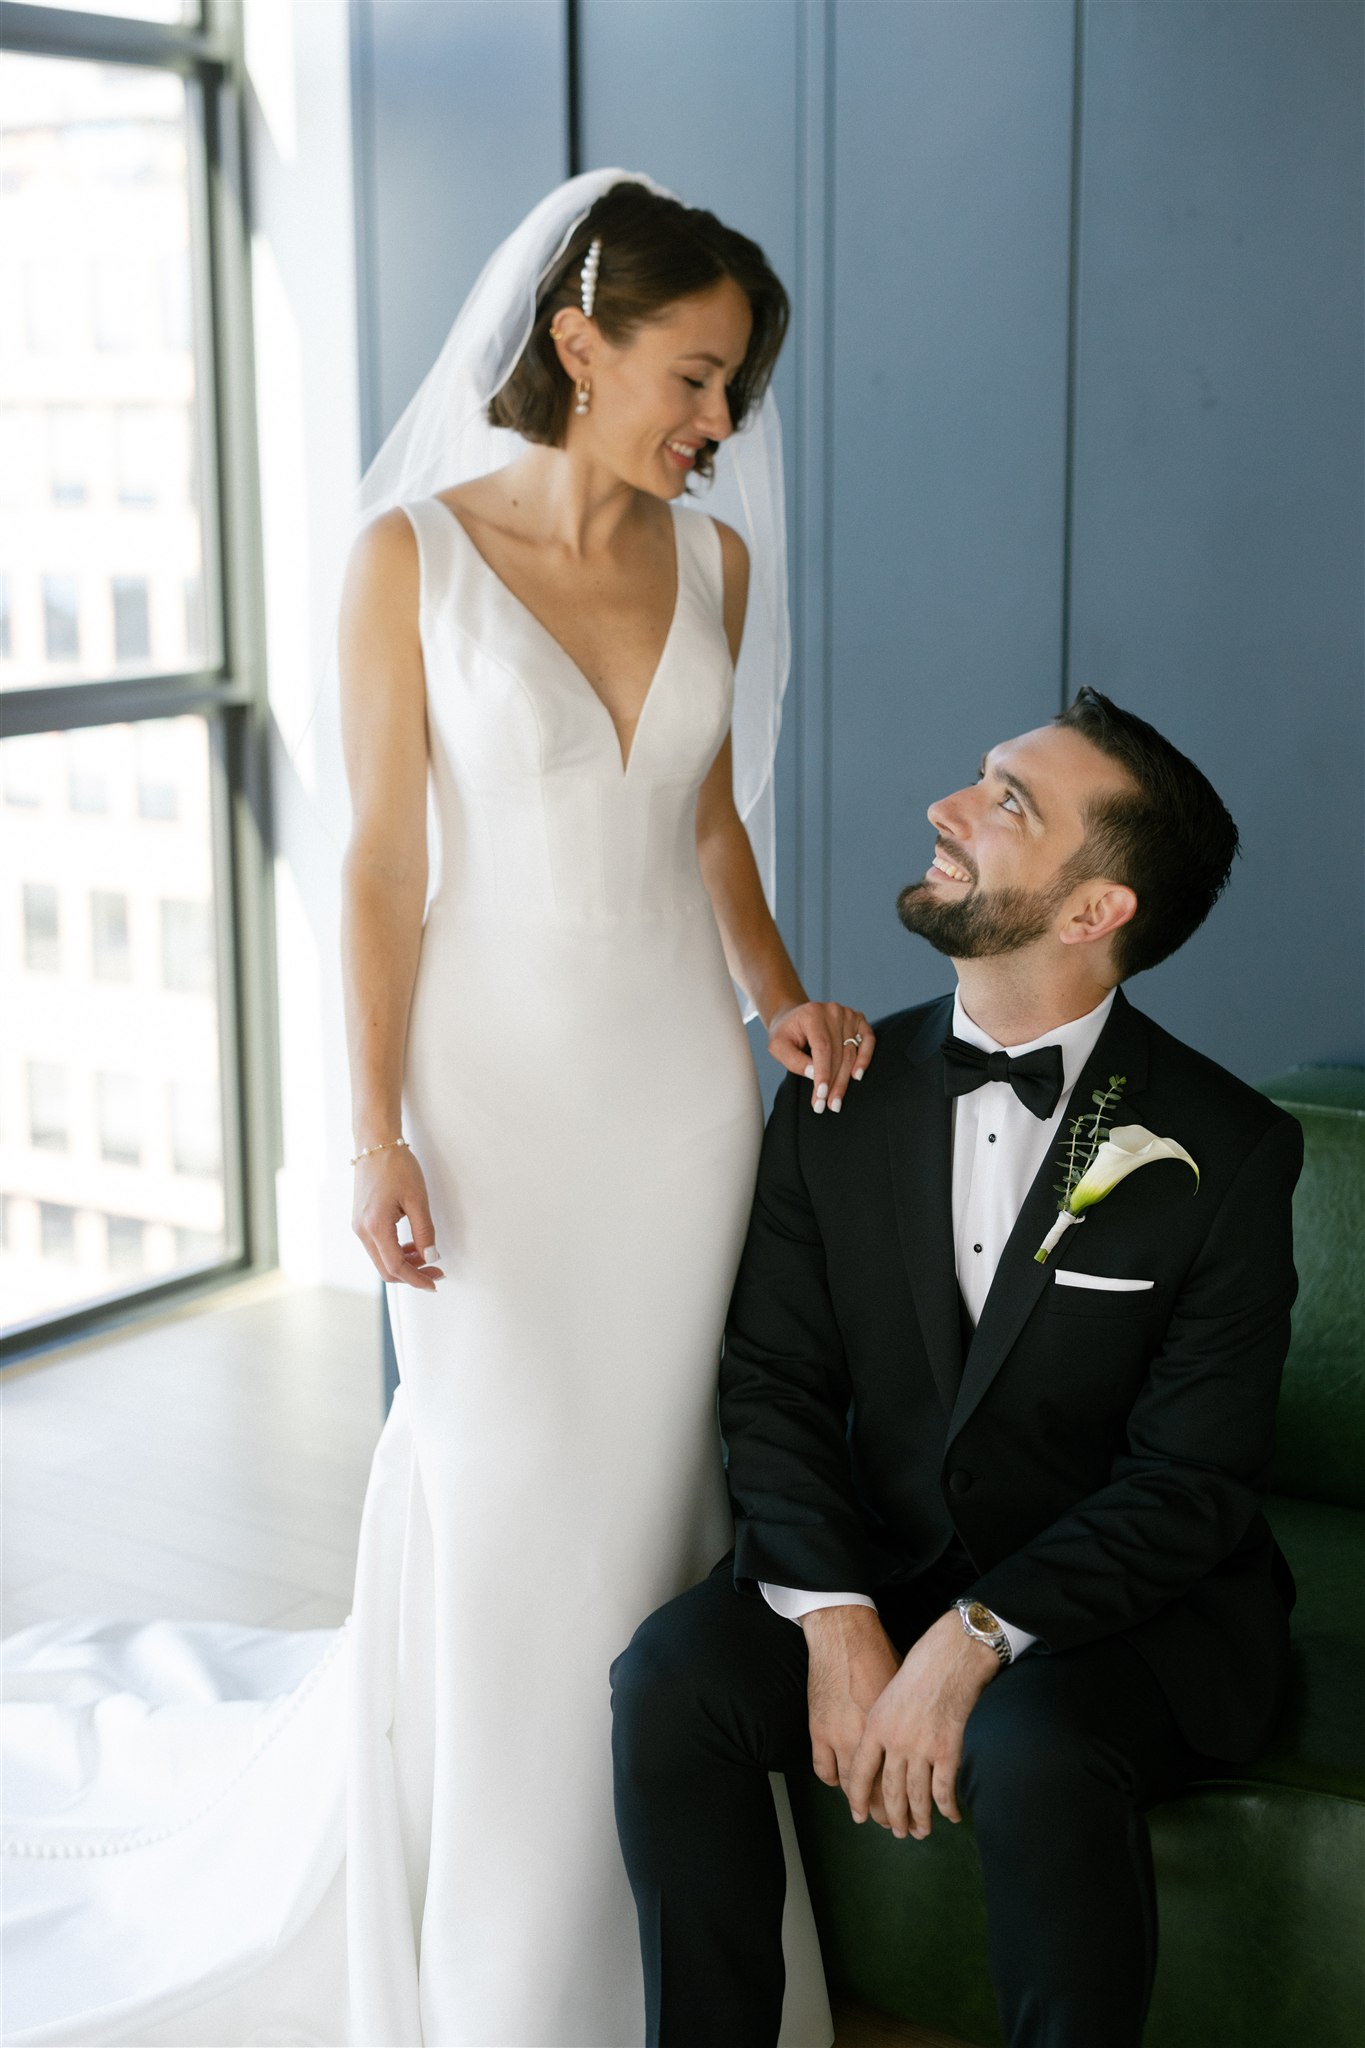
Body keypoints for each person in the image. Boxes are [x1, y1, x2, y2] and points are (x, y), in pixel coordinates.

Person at [0, 173, 850, 2048]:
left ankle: (672, 1945)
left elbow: (709, 823)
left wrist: (778, 1002)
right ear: (577, 340)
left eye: (734, 396)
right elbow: (381, 867)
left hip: (680, 1104)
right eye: (694, 378)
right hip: (490, 1099)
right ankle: (506, 1972)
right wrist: (368, 1133)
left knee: (654, 1509)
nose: (717, 428)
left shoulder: (717, 565)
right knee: (509, 1500)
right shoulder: (409, 554)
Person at [612, 687, 1303, 2048]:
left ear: (1092, 911)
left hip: (1127, 1613)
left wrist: (974, 1641)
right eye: (981, 778)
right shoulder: (836, 1094)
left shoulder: (1227, 1148)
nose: (948, 807)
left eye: (1008, 804)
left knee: (1029, 1746)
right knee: (670, 1681)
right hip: (889, 1556)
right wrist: (833, 1611)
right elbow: (776, 1383)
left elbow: (1192, 1480)